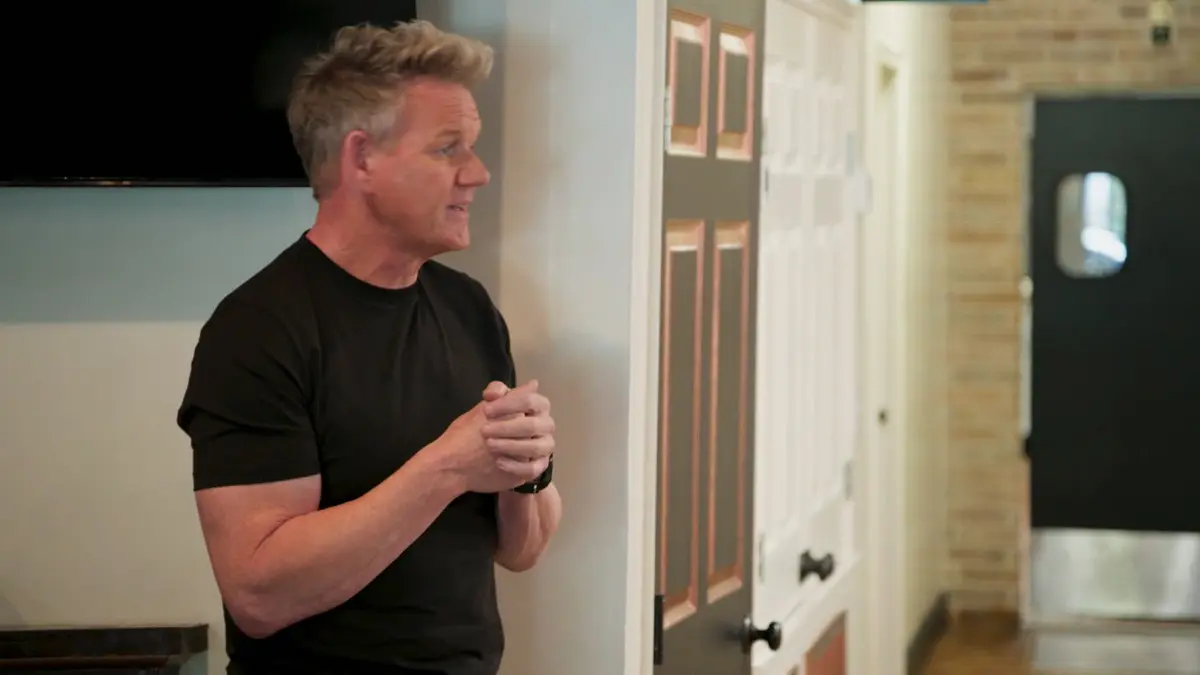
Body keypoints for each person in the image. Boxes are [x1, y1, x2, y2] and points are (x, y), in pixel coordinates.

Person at [175, 20, 562, 675]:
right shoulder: (258, 331)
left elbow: (520, 551)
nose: (477, 173)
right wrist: (447, 467)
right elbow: (260, 595)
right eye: (448, 149)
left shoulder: (468, 307)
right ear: (361, 159)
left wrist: (530, 467)